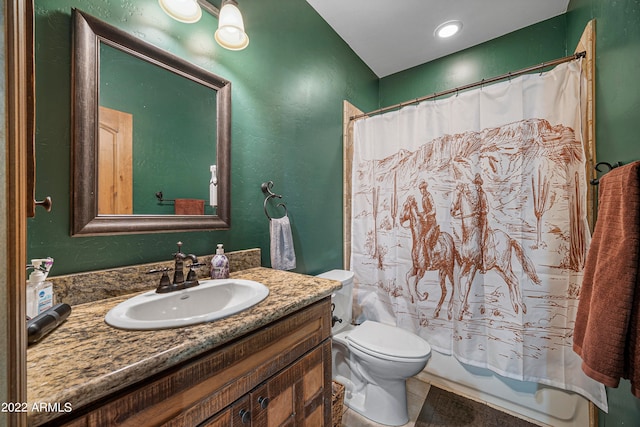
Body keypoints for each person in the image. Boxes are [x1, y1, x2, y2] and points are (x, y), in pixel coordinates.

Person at [419, 180, 439, 268]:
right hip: (426, 223)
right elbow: (426, 210)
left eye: (422, 189)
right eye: (420, 189)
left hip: (432, 222)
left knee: (427, 240)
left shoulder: (429, 196)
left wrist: (426, 215)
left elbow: (434, 210)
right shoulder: (423, 198)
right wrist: (421, 214)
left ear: (425, 188)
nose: (421, 190)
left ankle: (431, 261)